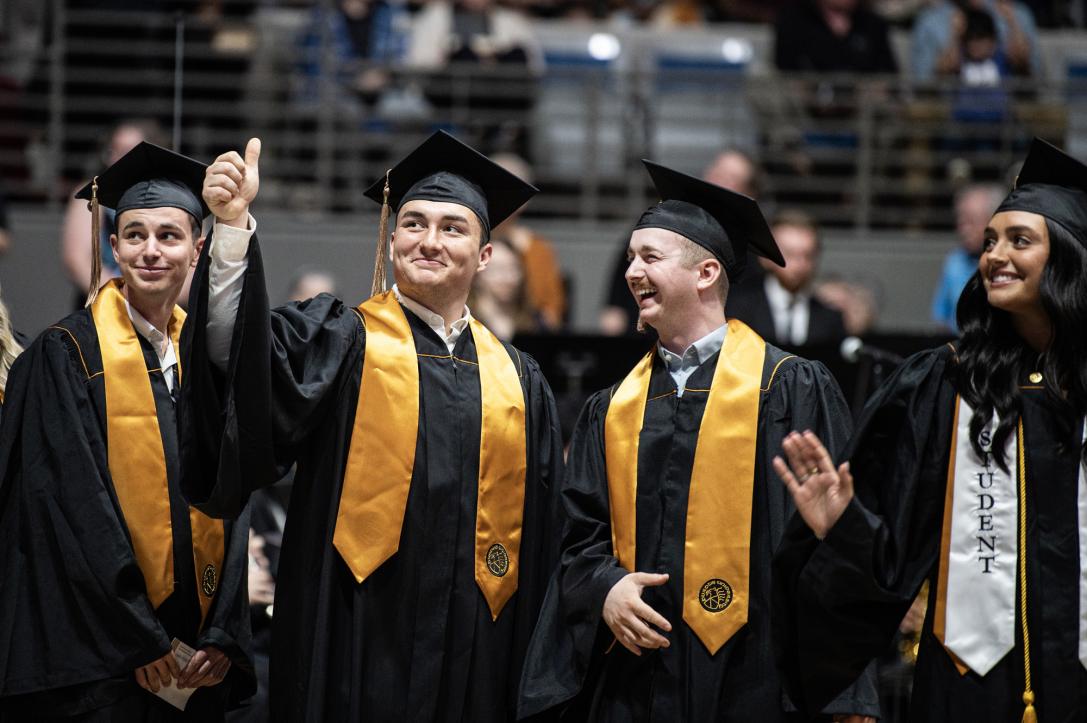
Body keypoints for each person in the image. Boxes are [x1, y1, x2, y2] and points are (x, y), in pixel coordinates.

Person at [178, 131, 564, 721]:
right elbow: (238, 360)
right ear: (390, 241)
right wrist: (230, 231)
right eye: (412, 223)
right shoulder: (341, 340)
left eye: (452, 227)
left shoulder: (519, 379)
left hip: (477, 643)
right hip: (354, 628)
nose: (428, 241)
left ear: (485, 255)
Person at [519, 161, 879, 721]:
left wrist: (848, 690)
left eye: (649, 257)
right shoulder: (611, 410)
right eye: (632, 257)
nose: (631, 272)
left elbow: (828, 544)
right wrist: (607, 590)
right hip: (634, 680)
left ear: (706, 272)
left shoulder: (789, 389)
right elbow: (579, 536)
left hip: (757, 676)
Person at [771, 138, 1087, 722]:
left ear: (1068, 257)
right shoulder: (945, 383)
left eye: (1020, 240)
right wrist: (844, 526)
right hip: (970, 686)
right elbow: (893, 556)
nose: (994, 256)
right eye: (989, 241)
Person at [0, 142, 255, 721]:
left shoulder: (207, 361)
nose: (150, 251)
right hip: (99, 660)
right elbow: (66, 509)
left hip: (192, 661)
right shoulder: (65, 356)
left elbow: (234, 497)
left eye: (169, 236)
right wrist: (137, 637)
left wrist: (222, 633)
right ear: (112, 248)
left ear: (198, 249)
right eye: (134, 235)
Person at [599, 148, 760, 336]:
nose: (718, 179)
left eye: (731, 177)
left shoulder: (746, 261)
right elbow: (614, 309)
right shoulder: (658, 229)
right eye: (717, 170)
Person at [728, 209, 847, 348]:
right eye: (790, 254)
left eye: (808, 255)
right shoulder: (738, 310)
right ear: (766, 257)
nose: (800, 265)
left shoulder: (829, 317)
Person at [931, 183, 1006, 331]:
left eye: (971, 222)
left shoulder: (1007, 262)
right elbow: (940, 319)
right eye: (961, 221)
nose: (964, 229)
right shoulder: (954, 262)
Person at [911, 0, 1038, 81]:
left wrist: (1013, 24)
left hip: (1006, 115)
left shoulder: (1016, 14)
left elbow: (1033, 77)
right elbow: (924, 83)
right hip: (950, 115)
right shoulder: (929, 21)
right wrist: (954, 36)